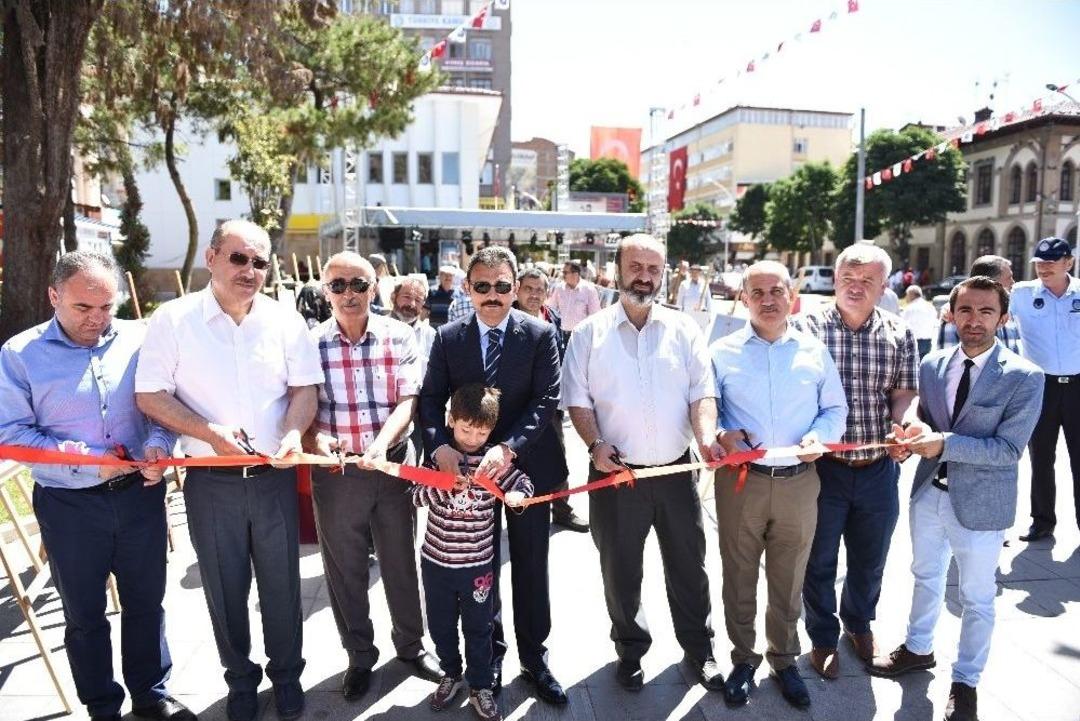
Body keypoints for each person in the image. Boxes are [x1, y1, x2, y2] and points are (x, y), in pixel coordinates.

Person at [135, 220, 324, 721]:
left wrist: (290, 432)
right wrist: (209, 432)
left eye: (260, 262)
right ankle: (240, 681)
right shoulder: (172, 321)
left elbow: (305, 389)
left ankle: (287, 677)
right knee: (223, 587)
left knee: (283, 586)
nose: (250, 270)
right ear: (212, 258)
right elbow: (149, 393)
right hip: (210, 482)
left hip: (274, 481)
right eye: (239, 258)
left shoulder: (286, 321)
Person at [0, 251, 194, 721]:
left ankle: (151, 694)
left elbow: (162, 405)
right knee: (84, 616)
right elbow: (12, 436)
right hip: (69, 506)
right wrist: (90, 463)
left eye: (107, 307)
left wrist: (158, 444)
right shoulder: (19, 355)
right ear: (53, 296)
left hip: (139, 497)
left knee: (146, 602)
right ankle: (102, 706)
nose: (97, 319)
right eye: (83, 308)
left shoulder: (139, 338)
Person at [871, 276, 1043, 721]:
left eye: (987, 311)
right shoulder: (931, 366)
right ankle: (918, 648)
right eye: (966, 310)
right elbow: (923, 420)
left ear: (1004, 318)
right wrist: (906, 437)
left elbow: (1008, 451)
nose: (975, 320)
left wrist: (943, 443)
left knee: (977, 597)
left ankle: (965, 682)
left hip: (983, 504)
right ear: (950, 313)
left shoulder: (1026, 377)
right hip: (929, 493)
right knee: (925, 575)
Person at [562, 234, 725, 692]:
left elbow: (702, 395)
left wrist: (707, 437)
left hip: (676, 472)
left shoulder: (685, 329)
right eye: (636, 266)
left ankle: (700, 651)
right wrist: (594, 444)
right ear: (617, 270)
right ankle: (630, 650)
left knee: (690, 568)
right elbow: (578, 401)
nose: (645, 277)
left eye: (654, 269)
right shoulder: (588, 333)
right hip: (616, 477)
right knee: (621, 570)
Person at [420, 246, 568, 705]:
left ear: (515, 287)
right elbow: (429, 400)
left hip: (525, 469)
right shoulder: (448, 338)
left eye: (503, 286)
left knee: (529, 566)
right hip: (466, 477)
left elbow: (546, 401)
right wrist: (439, 446)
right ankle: (491, 656)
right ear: (468, 288)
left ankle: (535, 658)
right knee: (481, 569)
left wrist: (507, 449)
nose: (493, 295)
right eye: (482, 286)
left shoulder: (541, 333)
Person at [303, 253, 443, 702]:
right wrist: (313, 437)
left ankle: (410, 646)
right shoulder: (309, 344)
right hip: (337, 473)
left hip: (391, 466)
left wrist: (383, 444)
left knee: (401, 561)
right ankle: (359, 656)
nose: (349, 294)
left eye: (358, 284)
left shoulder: (399, 336)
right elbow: (300, 405)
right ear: (326, 291)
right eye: (338, 285)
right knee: (344, 570)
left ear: (375, 287)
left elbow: (408, 401)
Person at [710, 261, 848, 709]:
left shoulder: (813, 350)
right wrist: (722, 433)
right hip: (741, 483)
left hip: (799, 482)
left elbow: (834, 409)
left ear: (792, 296)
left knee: (790, 578)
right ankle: (744, 659)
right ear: (744, 299)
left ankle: (785, 659)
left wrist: (819, 437)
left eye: (776, 291)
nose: (768, 300)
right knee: (739, 575)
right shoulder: (722, 351)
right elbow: (710, 411)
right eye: (758, 292)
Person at [793, 242, 919, 679]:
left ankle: (859, 624)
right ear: (835, 279)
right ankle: (823, 637)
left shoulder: (899, 333)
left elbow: (903, 393)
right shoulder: (803, 328)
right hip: (821, 470)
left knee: (870, 558)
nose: (856, 286)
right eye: (848, 278)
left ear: (885, 285)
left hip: (877, 469)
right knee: (819, 559)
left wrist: (904, 425)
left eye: (867, 280)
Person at [413, 384, 535, 721]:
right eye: (466, 429)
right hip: (436, 561)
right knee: (440, 625)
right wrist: (441, 486)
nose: (473, 438)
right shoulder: (441, 458)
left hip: (477, 567)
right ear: (451, 421)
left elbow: (523, 483)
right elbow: (416, 496)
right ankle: (450, 673)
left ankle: (481, 685)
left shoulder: (492, 461)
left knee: (480, 628)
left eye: (482, 432)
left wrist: (517, 497)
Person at [1007, 237, 1080, 541]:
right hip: (1042, 387)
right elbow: (990, 308)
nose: (1044, 268)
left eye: (1051, 262)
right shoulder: (1021, 294)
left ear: (1069, 263)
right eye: (1039, 262)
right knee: (1041, 458)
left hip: (1078, 385)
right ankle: (1042, 521)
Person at [513, 268, 589, 532]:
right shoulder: (505, 317)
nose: (534, 295)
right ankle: (519, 512)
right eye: (528, 289)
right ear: (517, 289)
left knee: (557, 459)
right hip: (515, 406)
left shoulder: (552, 316)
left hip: (549, 405)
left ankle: (562, 511)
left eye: (540, 290)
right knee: (514, 462)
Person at [935, 255, 1022, 354]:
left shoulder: (1007, 311)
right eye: (1009, 277)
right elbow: (946, 363)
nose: (1013, 282)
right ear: (991, 282)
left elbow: (1014, 355)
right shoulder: (953, 316)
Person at [547, 260, 601, 344]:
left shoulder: (589, 290)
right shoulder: (559, 288)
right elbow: (551, 309)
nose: (562, 275)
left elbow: (595, 315)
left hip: (581, 336)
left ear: (575, 274)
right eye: (563, 272)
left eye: (565, 272)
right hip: (562, 335)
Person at [900, 285, 938, 358]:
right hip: (927, 341)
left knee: (913, 366)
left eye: (907, 295)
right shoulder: (930, 306)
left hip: (913, 341)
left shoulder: (909, 308)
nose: (906, 297)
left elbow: (902, 325)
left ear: (911, 295)